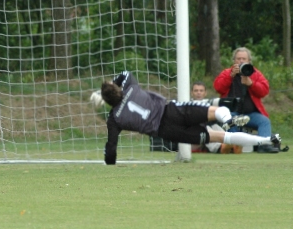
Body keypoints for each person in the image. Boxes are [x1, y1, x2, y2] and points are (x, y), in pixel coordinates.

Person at [96, 71, 283, 165]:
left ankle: (263, 139)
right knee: (215, 110)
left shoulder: (114, 119)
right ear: (118, 89)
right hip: (172, 110)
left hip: (167, 131)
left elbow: (111, 148)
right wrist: (112, 83)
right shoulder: (131, 88)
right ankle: (231, 122)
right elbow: (126, 73)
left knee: (217, 137)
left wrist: (109, 163)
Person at [213, 47, 277, 153]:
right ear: (234, 60)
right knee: (230, 119)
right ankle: (235, 145)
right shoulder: (227, 73)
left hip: (250, 114)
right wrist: (231, 76)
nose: (241, 61)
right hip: (231, 112)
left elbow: (264, 90)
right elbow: (218, 87)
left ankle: (264, 145)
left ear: (249, 61)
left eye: (244, 59)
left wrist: (251, 83)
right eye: (238, 59)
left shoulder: (255, 73)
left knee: (264, 121)